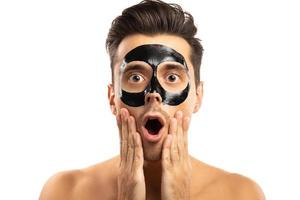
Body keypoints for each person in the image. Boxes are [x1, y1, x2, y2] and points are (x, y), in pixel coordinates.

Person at [39, 0, 265, 199]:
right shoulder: (65, 192)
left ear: (198, 96)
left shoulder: (241, 194)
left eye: (172, 76)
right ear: (112, 98)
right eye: (135, 77)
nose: (153, 94)